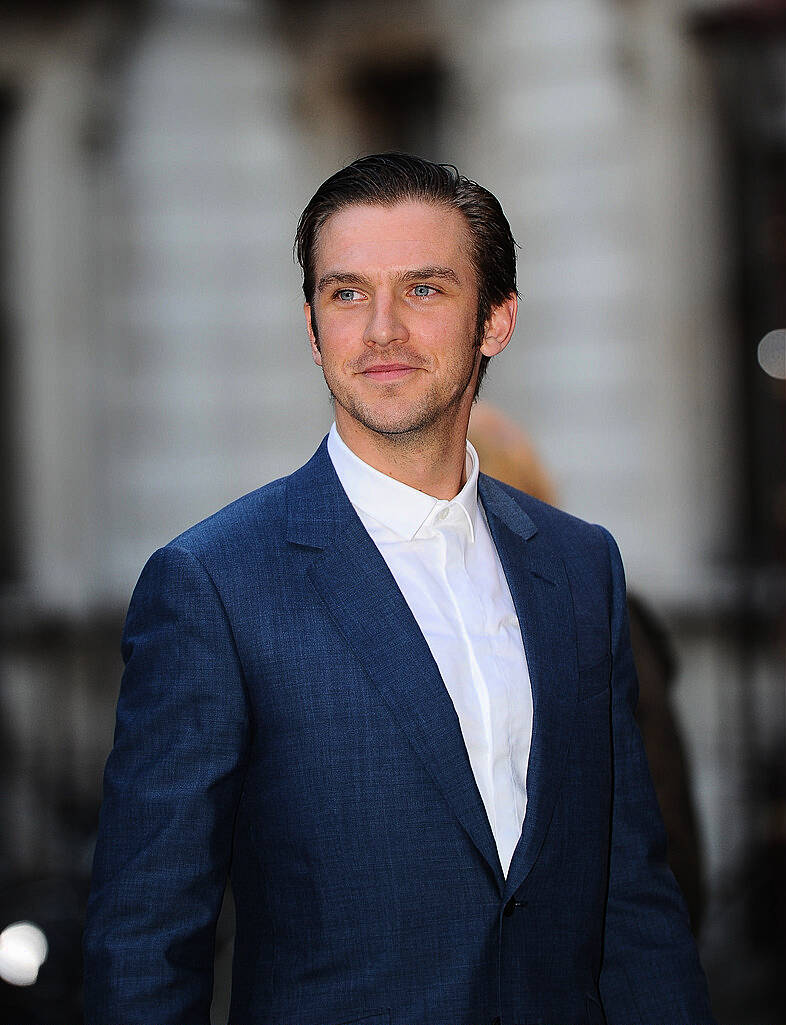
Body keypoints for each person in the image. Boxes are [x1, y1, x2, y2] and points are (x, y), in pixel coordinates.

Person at [83, 153, 716, 1025]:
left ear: (495, 320)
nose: (380, 329)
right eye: (346, 293)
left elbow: (634, 899)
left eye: (423, 289)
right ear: (312, 328)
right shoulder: (213, 585)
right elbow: (145, 941)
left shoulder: (579, 568)